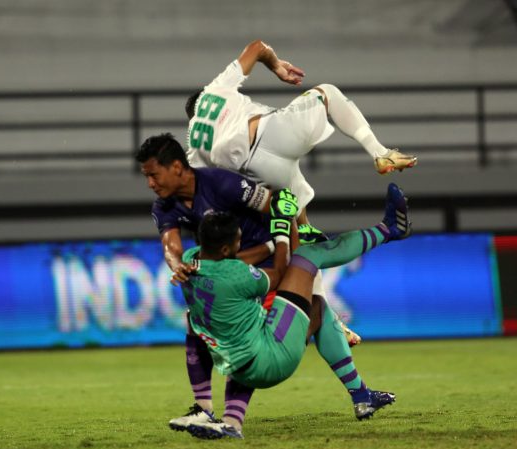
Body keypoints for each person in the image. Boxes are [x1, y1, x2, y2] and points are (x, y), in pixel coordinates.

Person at [136, 133, 363, 433]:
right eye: (147, 177)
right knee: (198, 321)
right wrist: (177, 265)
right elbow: (170, 246)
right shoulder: (164, 206)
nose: (151, 184)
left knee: (277, 325)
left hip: (268, 262)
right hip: (230, 270)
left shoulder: (221, 183)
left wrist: (286, 239)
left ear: (176, 167)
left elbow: (277, 205)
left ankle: (357, 390)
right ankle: (208, 411)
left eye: (154, 174)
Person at [176, 181, 411, 439]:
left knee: (317, 308)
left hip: (238, 363)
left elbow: (230, 261)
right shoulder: (235, 277)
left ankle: (231, 423)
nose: (239, 247)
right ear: (225, 249)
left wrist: (265, 247)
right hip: (271, 358)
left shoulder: (191, 261)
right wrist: (281, 229)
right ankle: (389, 229)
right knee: (308, 257)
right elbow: (279, 271)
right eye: (237, 243)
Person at [185, 39, 417, 231]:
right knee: (328, 93)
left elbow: (198, 188)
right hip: (267, 136)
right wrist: (275, 65)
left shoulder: (193, 145)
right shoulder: (213, 90)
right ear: (202, 98)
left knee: (293, 201)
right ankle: (381, 153)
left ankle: (304, 230)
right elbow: (256, 47)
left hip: (259, 172)